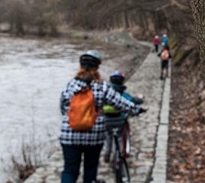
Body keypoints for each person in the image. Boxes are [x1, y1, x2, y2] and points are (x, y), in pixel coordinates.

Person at [59, 50, 144, 183]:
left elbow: (63, 108)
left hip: (70, 134)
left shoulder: (70, 85)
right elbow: (120, 103)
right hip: (93, 134)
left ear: (80, 66)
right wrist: (136, 110)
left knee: (70, 170)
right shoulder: (101, 86)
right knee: (90, 168)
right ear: (97, 67)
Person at [101, 71, 144, 163]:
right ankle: (116, 157)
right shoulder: (124, 95)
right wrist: (140, 99)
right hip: (120, 120)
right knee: (120, 137)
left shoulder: (105, 93)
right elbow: (133, 102)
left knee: (108, 136)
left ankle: (107, 153)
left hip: (107, 120)